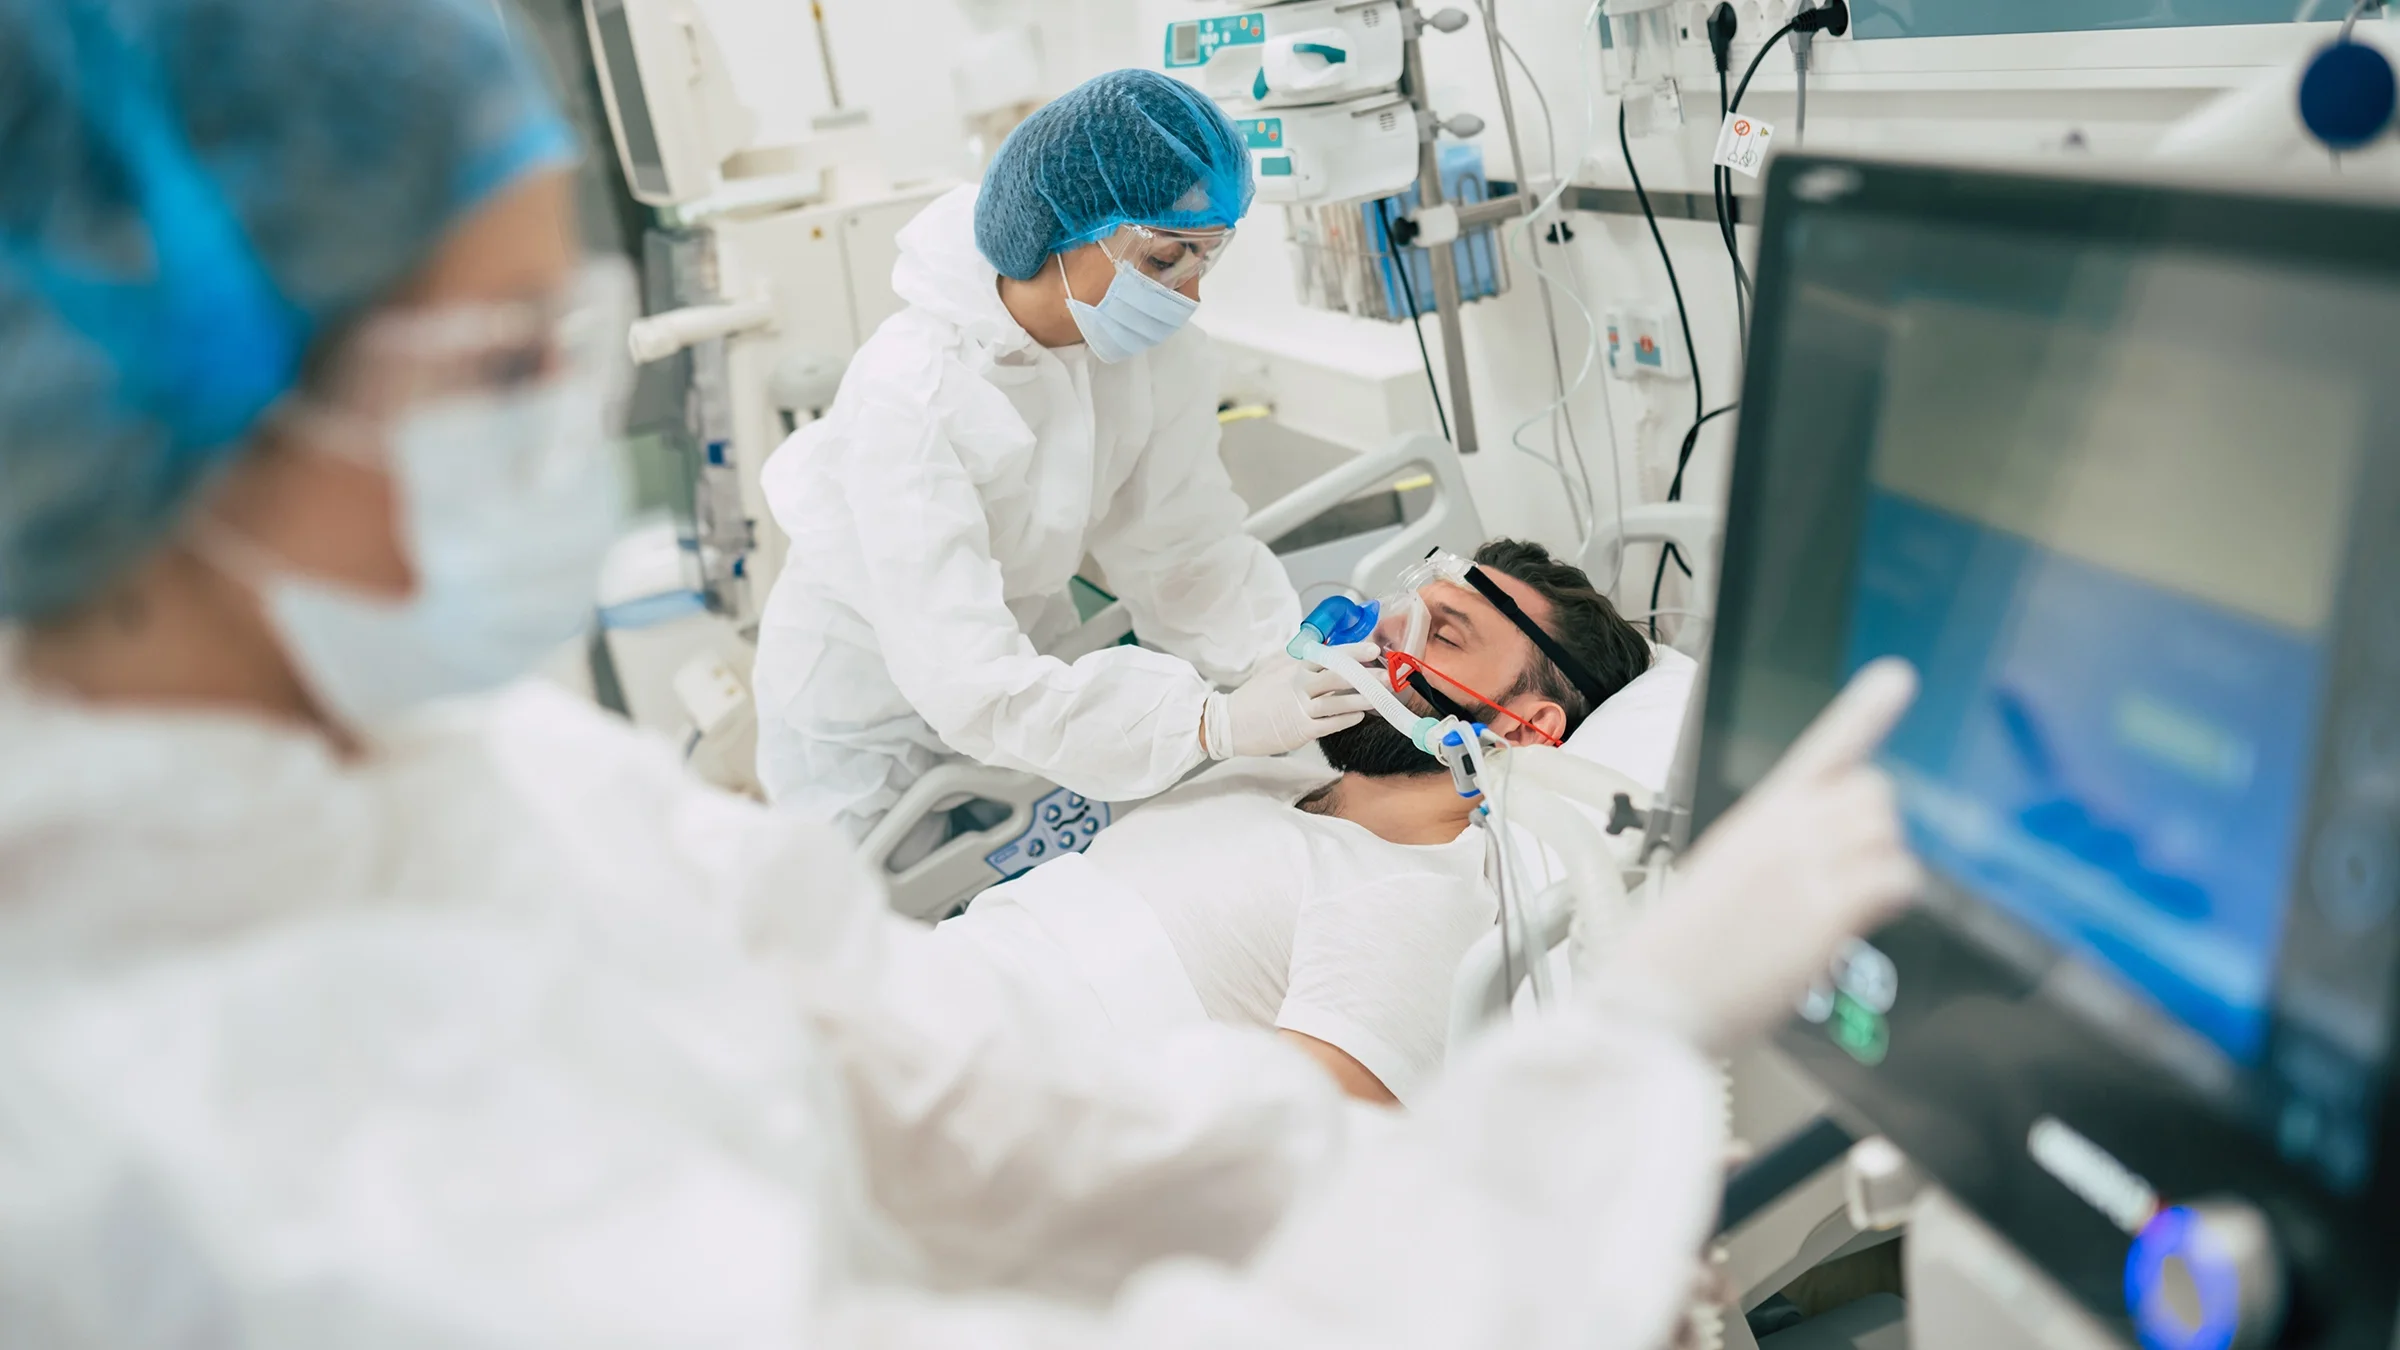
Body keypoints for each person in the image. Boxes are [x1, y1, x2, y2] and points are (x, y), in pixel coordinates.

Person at [0, 1, 1927, 1342]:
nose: (565, 425)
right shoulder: (179, 1147)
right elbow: (984, 718)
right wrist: (1597, 1086)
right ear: (190, 417)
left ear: (1536, 711)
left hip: (1086, 996)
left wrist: (1277, 684)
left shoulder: (492, 782)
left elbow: (957, 1095)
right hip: (910, 734)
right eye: (509, 369)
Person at [748, 69, 1367, 845]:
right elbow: (966, 678)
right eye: (1165, 258)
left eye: (1205, 259)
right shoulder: (913, 393)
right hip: (865, 728)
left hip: (1020, 690)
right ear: (1060, 234)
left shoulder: (1153, 355)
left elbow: (1184, 553)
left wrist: (1291, 665)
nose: (1189, 294)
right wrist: (1210, 723)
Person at [936, 539, 1663, 1106]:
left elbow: (1294, 1174)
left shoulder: (1410, 893)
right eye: (1400, 606)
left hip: (973, 1108)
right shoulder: (1275, 772)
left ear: (1528, 730)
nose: (1379, 635)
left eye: (1441, 636)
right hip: (921, 1000)